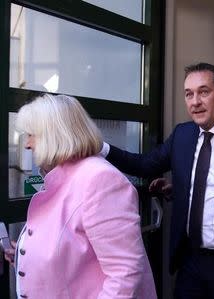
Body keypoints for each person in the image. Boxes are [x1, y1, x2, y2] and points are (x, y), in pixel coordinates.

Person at [103, 62, 214, 299]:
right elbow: (144, 164)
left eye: (204, 92)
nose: (195, 101)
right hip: (190, 262)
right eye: (189, 94)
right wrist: (100, 148)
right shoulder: (183, 135)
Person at [4, 94, 157, 299]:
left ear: (55, 134)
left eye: (32, 134)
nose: (27, 144)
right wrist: (26, 255)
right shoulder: (64, 175)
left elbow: (125, 275)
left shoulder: (100, 180)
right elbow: (70, 250)